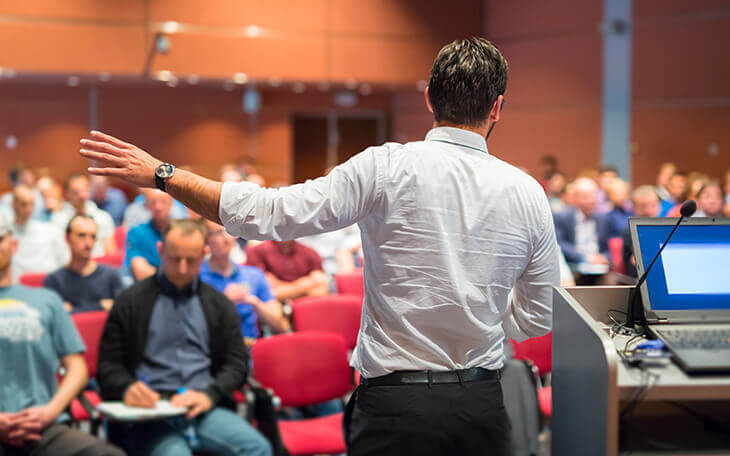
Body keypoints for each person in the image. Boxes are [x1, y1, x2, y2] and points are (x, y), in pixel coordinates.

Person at [81, 37, 560, 456]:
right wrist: (481, 323)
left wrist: (165, 176)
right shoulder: (528, 193)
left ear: (431, 99)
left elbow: (268, 213)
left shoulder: (386, 166)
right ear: (497, 107)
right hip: (481, 402)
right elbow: (540, 316)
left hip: (396, 406)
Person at [98, 219, 271, 456]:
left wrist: (210, 395)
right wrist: (126, 387)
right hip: (152, 412)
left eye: (191, 261)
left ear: (204, 254)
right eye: (174, 258)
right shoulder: (131, 301)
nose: (181, 268)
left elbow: (236, 364)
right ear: (160, 251)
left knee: (258, 448)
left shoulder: (219, 304)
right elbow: (108, 365)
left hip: (203, 406)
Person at [0, 220, 125, 456]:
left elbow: (77, 367)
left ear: (14, 245)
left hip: (45, 427)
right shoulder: (56, 283)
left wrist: (49, 412)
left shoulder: (46, 300)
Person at [200, 220, 289, 343]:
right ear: (206, 239)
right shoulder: (198, 277)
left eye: (229, 231)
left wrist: (254, 302)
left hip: (251, 348)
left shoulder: (253, 274)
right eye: (218, 232)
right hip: (214, 348)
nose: (227, 238)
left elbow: (281, 327)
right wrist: (223, 302)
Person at [44, 215, 124, 313]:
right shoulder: (54, 280)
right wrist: (101, 305)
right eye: (81, 235)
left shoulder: (111, 276)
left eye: (93, 236)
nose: (88, 243)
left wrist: (73, 309)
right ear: (67, 238)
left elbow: (123, 312)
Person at [6, 185, 69, 282]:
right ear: (13, 204)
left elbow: (65, 261)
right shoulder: (5, 236)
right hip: (17, 288)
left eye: (32, 204)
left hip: (48, 285)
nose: (28, 209)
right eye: (24, 204)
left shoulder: (51, 231)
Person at [50, 174, 116, 257]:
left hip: (98, 264)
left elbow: (110, 251)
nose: (82, 196)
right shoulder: (58, 219)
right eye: (76, 192)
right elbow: (56, 250)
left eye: (84, 190)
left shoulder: (103, 217)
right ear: (67, 193)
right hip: (69, 265)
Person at [553, 177, 613, 265]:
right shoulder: (562, 217)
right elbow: (560, 245)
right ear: (575, 198)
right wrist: (585, 258)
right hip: (574, 267)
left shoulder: (603, 218)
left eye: (593, 196)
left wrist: (604, 258)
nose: (591, 201)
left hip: (599, 268)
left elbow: (608, 248)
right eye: (586, 197)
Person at [246, 240, 329, 301]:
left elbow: (320, 287)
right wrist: (303, 288)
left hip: (304, 306)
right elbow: (264, 291)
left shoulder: (309, 252)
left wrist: (284, 291)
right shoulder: (257, 251)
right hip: (272, 307)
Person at [124, 190, 173, 281]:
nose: (158, 207)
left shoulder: (179, 232)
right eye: (153, 202)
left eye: (163, 201)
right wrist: (173, 277)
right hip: (145, 286)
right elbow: (141, 273)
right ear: (146, 205)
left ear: (171, 203)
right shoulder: (136, 232)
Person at [621, 185, 661, 277]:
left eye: (652, 205)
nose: (648, 210)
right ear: (634, 207)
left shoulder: (667, 229)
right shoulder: (628, 231)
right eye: (643, 206)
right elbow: (630, 263)